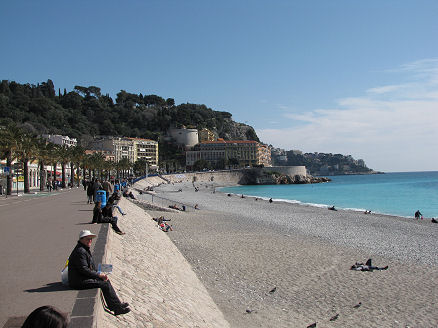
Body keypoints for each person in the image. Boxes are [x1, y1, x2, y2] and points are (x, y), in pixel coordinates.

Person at [68, 230, 130, 315]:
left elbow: (89, 266)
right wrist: (98, 274)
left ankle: (117, 304)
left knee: (106, 281)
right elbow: (84, 269)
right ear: (81, 239)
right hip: (79, 281)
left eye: (91, 239)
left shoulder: (84, 248)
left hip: (82, 277)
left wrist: (99, 273)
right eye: (87, 239)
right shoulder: (80, 251)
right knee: (104, 284)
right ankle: (117, 309)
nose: (90, 240)